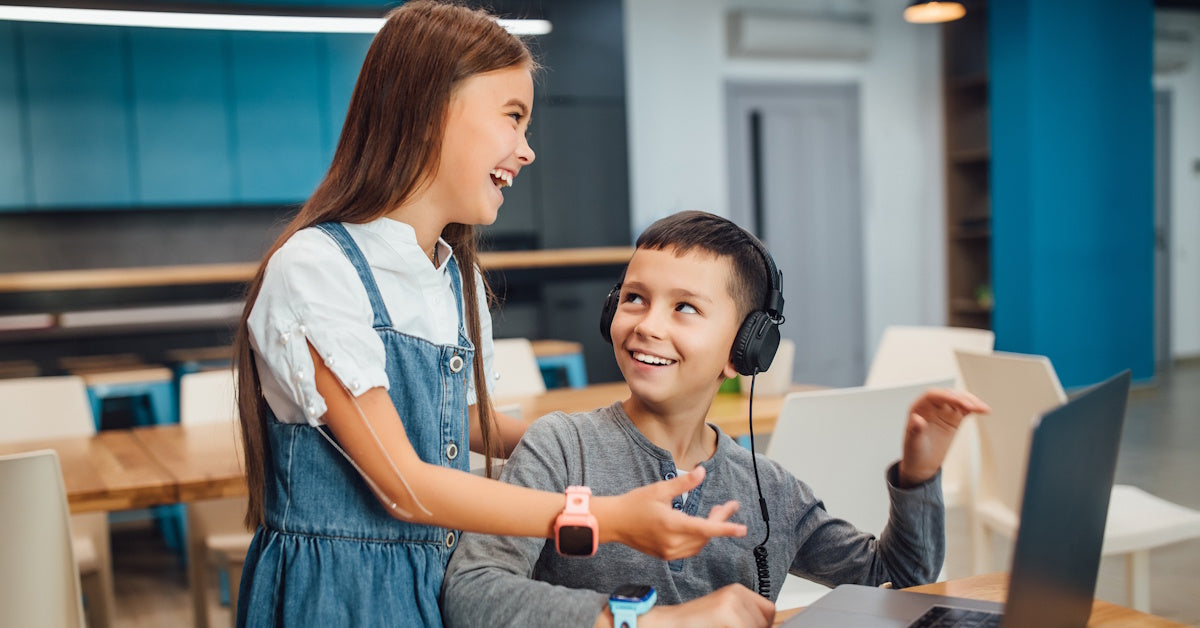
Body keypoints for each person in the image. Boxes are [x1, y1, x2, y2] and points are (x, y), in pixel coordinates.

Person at [231, 6, 747, 626]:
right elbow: (405, 485)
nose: (526, 151)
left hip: (436, 586)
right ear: (429, 110)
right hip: (339, 599)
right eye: (513, 116)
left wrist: (593, 447)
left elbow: (461, 421)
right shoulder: (316, 267)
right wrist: (605, 516)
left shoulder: (457, 277)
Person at [440, 210, 990, 627]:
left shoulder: (769, 490)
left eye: (685, 307)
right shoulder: (560, 448)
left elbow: (897, 581)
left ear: (745, 349)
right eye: (634, 298)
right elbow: (472, 592)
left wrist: (918, 476)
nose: (648, 325)